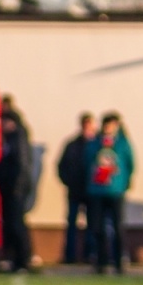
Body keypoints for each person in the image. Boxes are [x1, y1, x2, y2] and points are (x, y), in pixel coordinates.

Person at [87, 113, 133, 274]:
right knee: (97, 228)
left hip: (116, 191)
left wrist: (124, 182)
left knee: (118, 227)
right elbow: (87, 161)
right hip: (97, 191)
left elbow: (130, 164)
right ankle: (101, 261)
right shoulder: (95, 143)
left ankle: (119, 261)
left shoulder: (122, 143)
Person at [0, 114, 34, 273]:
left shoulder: (18, 139)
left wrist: (16, 187)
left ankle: (23, 260)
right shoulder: (10, 139)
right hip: (10, 188)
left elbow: (21, 165)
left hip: (15, 189)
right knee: (11, 224)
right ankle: (15, 260)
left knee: (17, 224)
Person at [57, 113, 97, 264]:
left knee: (92, 225)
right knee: (71, 224)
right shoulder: (72, 144)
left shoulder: (97, 145)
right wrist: (68, 181)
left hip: (92, 192)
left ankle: (89, 254)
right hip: (75, 191)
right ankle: (70, 256)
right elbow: (61, 165)